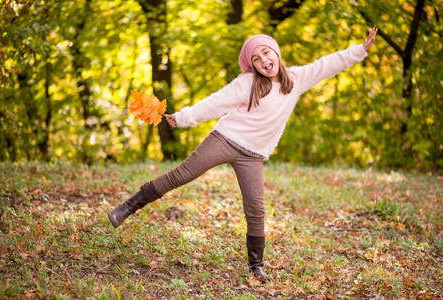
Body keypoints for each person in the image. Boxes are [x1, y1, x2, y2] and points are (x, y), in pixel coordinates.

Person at [108, 28, 378, 281]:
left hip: (253, 155)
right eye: (257, 58)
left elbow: (327, 64)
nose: (264, 60)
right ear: (253, 66)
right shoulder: (248, 82)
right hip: (225, 139)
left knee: (256, 209)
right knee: (182, 174)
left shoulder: (296, 79)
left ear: (276, 53)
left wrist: (360, 50)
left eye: (266, 53)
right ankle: (127, 207)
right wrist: (184, 117)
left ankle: (256, 265)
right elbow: (216, 103)